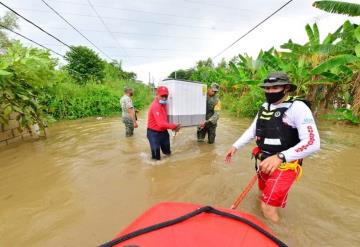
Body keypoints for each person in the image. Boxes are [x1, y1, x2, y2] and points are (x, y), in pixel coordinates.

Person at [224, 72, 320, 223]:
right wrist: (235, 146)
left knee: (267, 208)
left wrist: (281, 157)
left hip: (285, 165)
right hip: (264, 161)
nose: (269, 91)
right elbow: (252, 130)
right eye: (267, 88)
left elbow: (312, 142)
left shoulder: (298, 108)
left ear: (286, 88)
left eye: (275, 87)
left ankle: (278, 235)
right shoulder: (264, 106)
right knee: (261, 195)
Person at [147, 86, 181, 160]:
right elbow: (161, 124)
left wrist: (172, 127)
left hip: (163, 132)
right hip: (153, 133)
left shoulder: (164, 104)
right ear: (157, 95)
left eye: (166, 96)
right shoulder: (155, 106)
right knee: (156, 159)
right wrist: (173, 126)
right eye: (162, 96)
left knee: (168, 153)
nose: (164, 98)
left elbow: (166, 119)